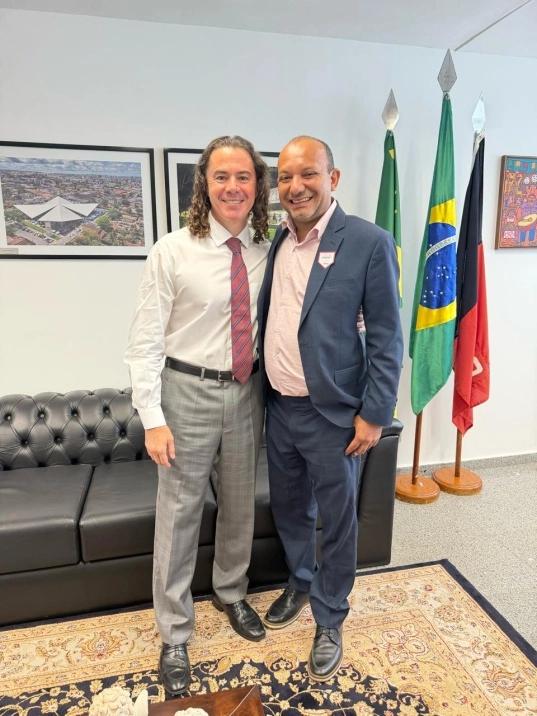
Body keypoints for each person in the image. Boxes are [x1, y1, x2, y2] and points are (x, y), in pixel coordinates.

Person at [125, 135, 271, 696]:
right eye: (221, 177)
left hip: (248, 391)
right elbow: (144, 342)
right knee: (179, 514)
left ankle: (231, 594)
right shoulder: (173, 250)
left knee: (239, 505)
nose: (232, 187)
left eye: (243, 176)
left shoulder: (268, 248)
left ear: (257, 185)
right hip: (185, 391)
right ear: (204, 185)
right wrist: (152, 417)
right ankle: (174, 632)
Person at [257, 136, 403, 682]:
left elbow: (387, 337)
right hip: (279, 408)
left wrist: (375, 413)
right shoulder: (277, 240)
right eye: (285, 177)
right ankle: (300, 580)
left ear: (333, 179)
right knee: (290, 507)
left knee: (339, 520)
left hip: (335, 415)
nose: (295, 187)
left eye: (308, 174)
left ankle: (330, 615)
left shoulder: (368, 241)